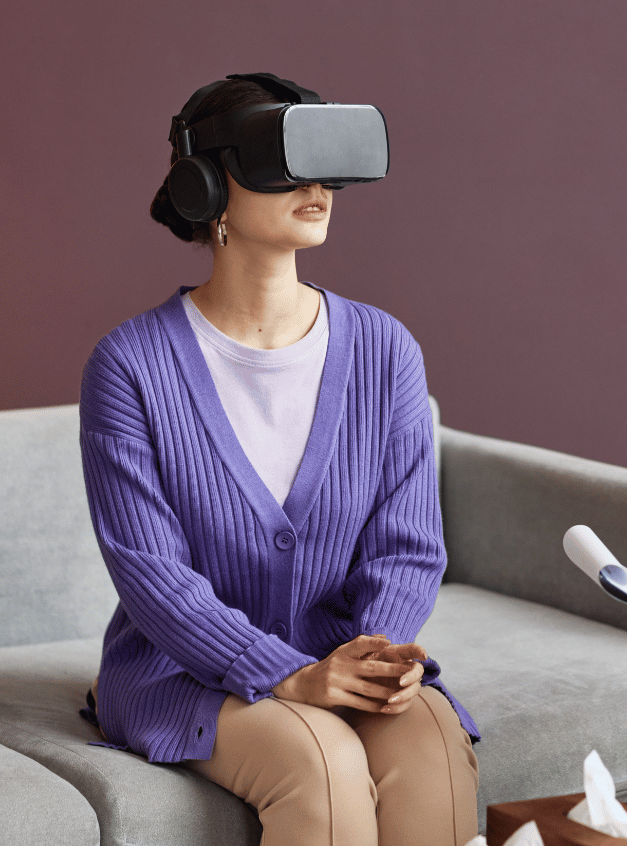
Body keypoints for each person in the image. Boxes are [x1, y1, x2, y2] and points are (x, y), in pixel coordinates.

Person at [79, 74, 479, 846]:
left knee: (431, 740)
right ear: (205, 186)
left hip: (339, 655)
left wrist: (375, 655)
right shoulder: (129, 365)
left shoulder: (383, 349)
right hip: (181, 670)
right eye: (282, 160)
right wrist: (286, 674)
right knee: (321, 759)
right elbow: (151, 574)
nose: (316, 186)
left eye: (325, 162)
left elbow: (407, 544)